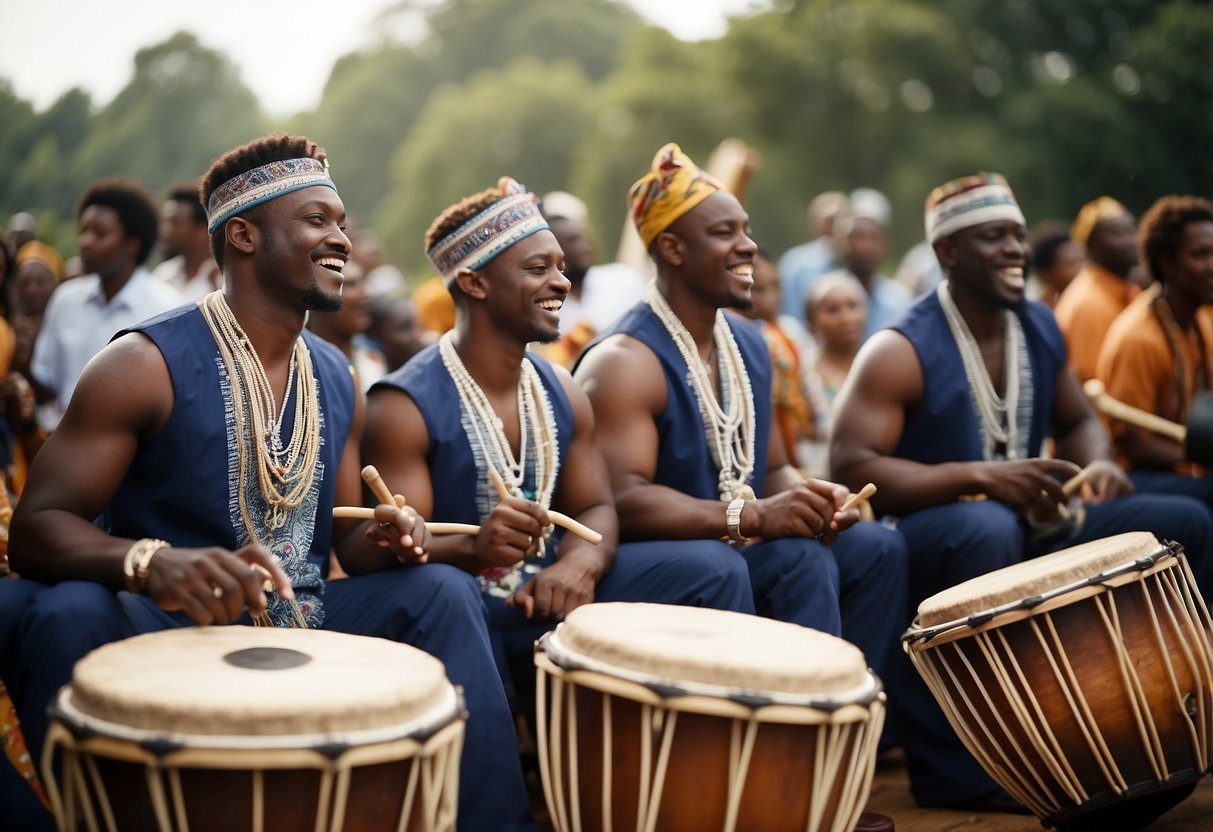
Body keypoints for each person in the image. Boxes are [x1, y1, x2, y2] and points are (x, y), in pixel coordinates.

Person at [7, 135, 536, 832]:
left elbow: (352, 539)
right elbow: (38, 527)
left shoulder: (335, 374)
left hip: (301, 615)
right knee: (65, 609)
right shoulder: (142, 364)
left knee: (439, 592)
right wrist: (150, 561)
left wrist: (409, 537)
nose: (340, 238)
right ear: (245, 235)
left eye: (341, 222)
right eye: (317, 220)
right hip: (168, 618)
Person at [829, 172, 1213, 811]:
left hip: (1038, 518)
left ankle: (1169, 719)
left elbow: (1079, 420)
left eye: (1016, 235)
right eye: (993, 238)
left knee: (1183, 521)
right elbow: (854, 465)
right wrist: (980, 478)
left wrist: (1096, 468)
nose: (1015, 249)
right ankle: (959, 769)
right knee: (989, 528)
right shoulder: (899, 347)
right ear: (948, 252)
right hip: (936, 534)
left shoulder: (1037, 322)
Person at [363, 176, 752, 709]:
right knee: (450, 598)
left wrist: (579, 566)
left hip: (552, 586)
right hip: (468, 608)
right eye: (538, 269)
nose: (561, 283)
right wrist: (476, 549)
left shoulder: (561, 388)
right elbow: (399, 553)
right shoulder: (404, 404)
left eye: (561, 267)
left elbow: (595, 506)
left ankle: (716, 750)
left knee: (714, 568)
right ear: (475, 284)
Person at [574, 143, 907, 697]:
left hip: (730, 537)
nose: (748, 245)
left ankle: (858, 722)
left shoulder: (751, 344)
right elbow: (622, 501)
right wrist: (750, 518)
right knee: (761, 562)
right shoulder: (625, 362)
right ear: (674, 249)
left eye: (745, 229)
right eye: (725, 233)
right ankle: (791, 729)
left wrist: (807, 502)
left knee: (876, 547)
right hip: (664, 557)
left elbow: (771, 468)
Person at [31, 178, 183, 430]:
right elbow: (47, 382)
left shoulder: (166, 308)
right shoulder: (65, 300)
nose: (86, 242)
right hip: (60, 444)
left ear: (132, 243)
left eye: (100, 233)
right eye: (83, 231)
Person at [1095, 195, 1213, 506]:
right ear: (1168, 265)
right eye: (1201, 254)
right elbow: (1135, 446)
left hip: (1181, 464)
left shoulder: (1199, 319)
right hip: (1129, 478)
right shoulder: (1139, 337)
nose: (1212, 264)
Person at [535, 191, 646, 368]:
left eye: (584, 236)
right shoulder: (539, 310)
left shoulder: (625, 280)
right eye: (573, 241)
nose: (586, 246)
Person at [736, 249, 817, 472]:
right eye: (759, 290)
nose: (773, 297)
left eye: (776, 287)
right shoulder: (746, 338)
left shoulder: (788, 331)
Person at [1052, 196, 1142, 382]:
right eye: (1116, 233)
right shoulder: (1089, 304)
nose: (1130, 241)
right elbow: (1090, 386)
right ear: (1090, 245)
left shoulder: (1127, 289)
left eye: (1131, 230)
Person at [818, 190, 911, 341]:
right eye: (857, 237)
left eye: (873, 238)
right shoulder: (822, 294)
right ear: (841, 243)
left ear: (885, 246)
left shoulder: (900, 301)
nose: (865, 247)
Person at [802, 272, 868, 476]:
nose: (847, 317)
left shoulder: (876, 366)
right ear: (812, 324)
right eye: (832, 310)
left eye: (853, 306)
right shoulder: (803, 373)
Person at [306, 258, 388, 390]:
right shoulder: (302, 370)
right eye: (351, 284)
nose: (367, 292)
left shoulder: (373, 360)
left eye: (364, 281)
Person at [777, 190, 847, 325]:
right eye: (830, 220)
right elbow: (790, 314)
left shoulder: (859, 261)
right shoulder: (795, 264)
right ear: (814, 223)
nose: (838, 225)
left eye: (843, 217)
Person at [152, 179, 221, 302]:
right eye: (165, 222)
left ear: (201, 230)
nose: (165, 230)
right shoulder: (163, 275)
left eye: (175, 223)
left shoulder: (222, 280)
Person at [366, 292, 432, 374]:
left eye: (419, 325)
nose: (418, 335)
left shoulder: (435, 355)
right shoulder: (369, 376)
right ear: (375, 336)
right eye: (405, 328)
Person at [1027, 221, 1082, 308]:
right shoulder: (1044, 313)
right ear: (1047, 273)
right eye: (1071, 263)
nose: (1081, 269)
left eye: (1081, 261)